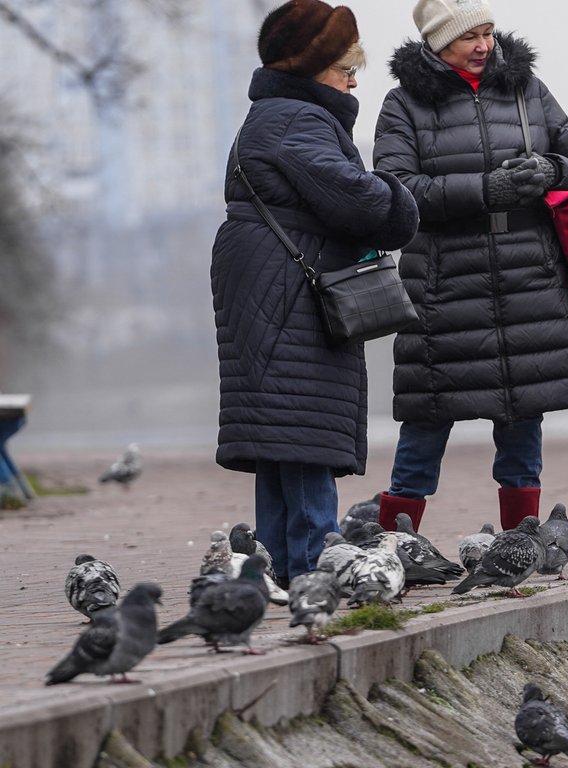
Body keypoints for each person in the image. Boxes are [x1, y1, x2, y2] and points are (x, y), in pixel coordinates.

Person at [211, 0, 420, 583]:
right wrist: (398, 193)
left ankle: (275, 574)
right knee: (303, 435)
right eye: (345, 67)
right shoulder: (298, 120)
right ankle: (312, 576)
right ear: (311, 68)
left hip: (269, 281)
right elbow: (360, 200)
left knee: (282, 436)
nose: (354, 80)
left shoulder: (274, 116)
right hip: (288, 291)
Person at [373, 0, 568, 532]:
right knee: (427, 417)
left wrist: (550, 169)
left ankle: (522, 543)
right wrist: (483, 189)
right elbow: (396, 190)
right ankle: (395, 546)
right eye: (468, 36)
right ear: (435, 43)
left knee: (524, 416)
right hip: (443, 281)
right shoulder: (401, 104)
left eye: (488, 33)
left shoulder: (529, 90)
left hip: (529, 278)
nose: (483, 46)